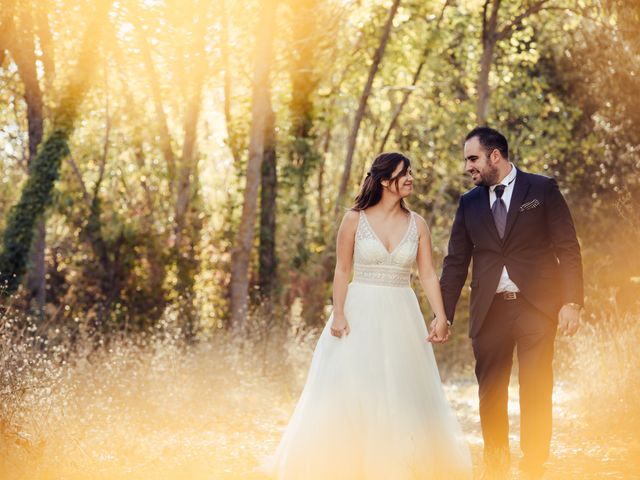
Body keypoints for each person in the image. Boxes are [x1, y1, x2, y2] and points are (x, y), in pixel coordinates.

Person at [264, 152, 471, 479]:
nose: (410, 179)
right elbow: (342, 269)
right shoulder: (354, 219)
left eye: (411, 173)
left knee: (400, 388)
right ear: (385, 180)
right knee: (355, 385)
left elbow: (428, 274)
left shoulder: (418, 224)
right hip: (359, 311)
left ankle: (400, 464)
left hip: (401, 314)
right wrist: (340, 312)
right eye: (404, 174)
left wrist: (441, 316)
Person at [439, 127, 584, 478]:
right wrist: (442, 314)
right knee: (491, 392)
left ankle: (534, 465)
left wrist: (572, 302)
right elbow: (456, 261)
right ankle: (497, 466)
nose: (468, 167)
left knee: (536, 387)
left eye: (472, 159)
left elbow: (568, 247)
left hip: (537, 307)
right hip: (489, 310)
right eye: (466, 161)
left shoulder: (542, 189)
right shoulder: (469, 202)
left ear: (495, 156)